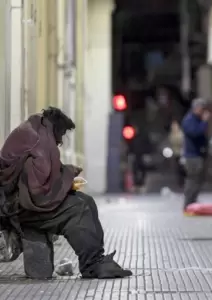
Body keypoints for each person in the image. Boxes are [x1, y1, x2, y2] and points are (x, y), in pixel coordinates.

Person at [0, 107, 132, 279]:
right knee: (79, 208)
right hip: (18, 208)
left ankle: (95, 259)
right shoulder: (40, 139)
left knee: (87, 201)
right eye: (61, 135)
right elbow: (38, 190)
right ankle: (92, 264)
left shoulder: (34, 129)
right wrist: (67, 175)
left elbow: (39, 178)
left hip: (17, 201)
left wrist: (65, 176)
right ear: (56, 128)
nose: (60, 141)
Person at [181, 98, 210, 210]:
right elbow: (195, 133)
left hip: (197, 154)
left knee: (197, 181)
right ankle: (188, 203)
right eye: (201, 109)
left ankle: (192, 202)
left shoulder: (196, 120)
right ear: (196, 108)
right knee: (192, 180)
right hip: (191, 156)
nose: (203, 112)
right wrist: (204, 122)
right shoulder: (189, 120)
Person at [168, 120, 185, 188]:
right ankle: (179, 182)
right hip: (175, 153)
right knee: (177, 168)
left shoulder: (180, 134)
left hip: (181, 152)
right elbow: (170, 143)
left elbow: (182, 142)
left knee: (181, 168)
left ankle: (183, 181)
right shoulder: (171, 134)